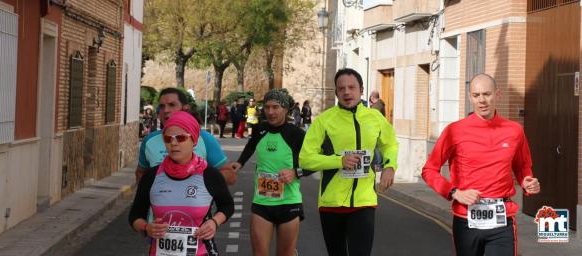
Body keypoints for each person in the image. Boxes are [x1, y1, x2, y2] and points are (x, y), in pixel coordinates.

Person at [422, 73, 540, 256]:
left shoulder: (514, 130)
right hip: (466, 219)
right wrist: (455, 192)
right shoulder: (454, 131)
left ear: (497, 94)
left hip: (502, 220)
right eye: (476, 95)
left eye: (487, 94)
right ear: (470, 97)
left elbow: (522, 166)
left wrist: (527, 182)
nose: (482, 100)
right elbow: (429, 170)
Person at [299, 68, 398, 256]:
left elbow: (390, 144)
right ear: (336, 92)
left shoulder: (375, 118)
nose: (346, 92)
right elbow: (306, 159)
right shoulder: (324, 121)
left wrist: (390, 166)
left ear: (361, 90)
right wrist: (339, 161)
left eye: (351, 87)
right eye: (341, 88)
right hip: (331, 203)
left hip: (364, 201)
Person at [129, 111, 234, 256]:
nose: (173, 143)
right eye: (168, 138)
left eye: (180, 138)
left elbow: (227, 205)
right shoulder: (152, 176)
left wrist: (214, 222)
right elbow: (135, 215)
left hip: (201, 252)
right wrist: (146, 228)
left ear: (194, 140)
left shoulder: (209, 175)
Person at [231, 89, 312, 256]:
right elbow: (251, 146)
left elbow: (316, 161)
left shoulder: (295, 134)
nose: (270, 112)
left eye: (275, 107)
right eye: (267, 107)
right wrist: (240, 162)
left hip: (289, 203)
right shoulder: (260, 129)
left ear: (285, 109)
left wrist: (296, 173)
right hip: (262, 202)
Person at [136, 88, 237, 185]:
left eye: (172, 105)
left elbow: (230, 176)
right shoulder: (149, 141)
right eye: (162, 106)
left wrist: (203, 183)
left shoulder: (205, 138)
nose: (166, 110)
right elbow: (140, 173)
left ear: (186, 108)